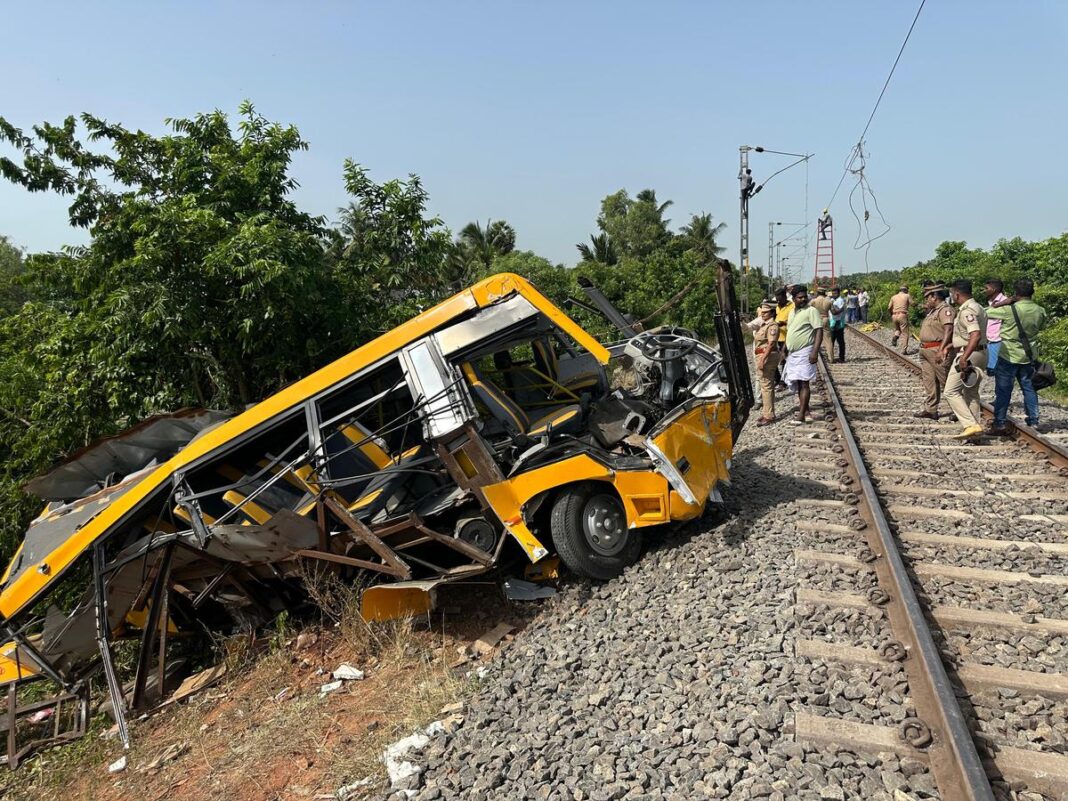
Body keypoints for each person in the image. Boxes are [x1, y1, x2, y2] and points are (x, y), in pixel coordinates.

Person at [986, 278, 1048, 434]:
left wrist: (1003, 302)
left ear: (1016, 293)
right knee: (1029, 388)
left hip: (1008, 355)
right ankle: (1033, 420)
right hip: (1029, 356)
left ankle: (999, 422)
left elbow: (986, 312)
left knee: (1003, 390)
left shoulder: (1009, 310)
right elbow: (1042, 325)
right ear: (1032, 292)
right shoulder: (1040, 310)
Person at [943, 279, 987, 440]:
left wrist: (964, 357)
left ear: (957, 294)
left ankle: (970, 424)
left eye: (952, 294)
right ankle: (975, 434)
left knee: (950, 391)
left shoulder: (967, 311)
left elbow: (975, 335)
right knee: (971, 393)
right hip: (981, 353)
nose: (952, 297)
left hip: (969, 354)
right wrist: (950, 346)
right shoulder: (979, 307)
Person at [782, 285, 824, 424]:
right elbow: (790, 332)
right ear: (793, 299)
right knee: (799, 383)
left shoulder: (811, 311)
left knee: (804, 383)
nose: (803, 299)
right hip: (793, 353)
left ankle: (800, 415)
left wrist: (814, 352)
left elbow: (819, 330)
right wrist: (784, 349)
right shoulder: (792, 313)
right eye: (800, 297)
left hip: (805, 351)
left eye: (805, 297)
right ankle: (806, 412)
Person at [914, 286, 955, 419]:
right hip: (926, 349)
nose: (926, 300)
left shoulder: (945, 310)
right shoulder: (932, 311)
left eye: (928, 297)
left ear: (934, 297)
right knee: (929, 381)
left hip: (937, 349)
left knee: (946, 381)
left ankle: (959, 410)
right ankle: (931, 409)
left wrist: (942, 349)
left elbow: (948, 330)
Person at [753, 302, 781, 426]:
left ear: (772, 313)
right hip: (763, 354)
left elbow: (771, 344)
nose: (763, 314)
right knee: (765, 385)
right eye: (762, 312)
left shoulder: (772, 325)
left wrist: (763, 359)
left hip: (767, 355)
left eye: (766, 312)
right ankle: (767, 412)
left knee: (766, 385)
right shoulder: (763, 325)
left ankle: (769, 415)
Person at [983, 279, 1010, 376]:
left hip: (998, 340)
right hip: (989, 340)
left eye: (986, 288)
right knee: (990, 371)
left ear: (993, 289)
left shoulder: (1005, 302)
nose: (984, 290)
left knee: (997, 372)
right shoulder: (991, 301)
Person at [774, 286, 793, 390]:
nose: (778, 300)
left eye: (779, 298)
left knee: (785, 360)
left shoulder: (792, 306)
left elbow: (794, 321)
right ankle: (778, 379)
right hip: (777, 337)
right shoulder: (777, 307)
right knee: (775, 359)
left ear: (785, 296)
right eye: (776, 298)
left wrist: (784, 323)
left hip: (788, 337)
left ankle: (783, 382)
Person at [888, 285, 912, 351]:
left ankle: (895, 337)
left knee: (897, 329)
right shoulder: (907, 295)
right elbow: (912, 303)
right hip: (902, 315)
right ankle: (904, 350)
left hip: (894, 315)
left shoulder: (893, 297)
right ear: (906, 290)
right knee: (905, 333)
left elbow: (889, 307)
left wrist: (891, 314)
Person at [810, 288, 834, 356]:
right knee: (828, 340)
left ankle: (813, 354)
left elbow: (808, 310)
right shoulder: (829, 301)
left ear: (817, 293)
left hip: (816, 320)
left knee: (814, 339)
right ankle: (831, 357)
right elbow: (834, 312)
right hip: (825, 319)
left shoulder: (813, 301)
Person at [828, 287, 847, 362]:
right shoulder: (833, 300)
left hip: (838, 323)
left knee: (840, 342)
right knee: (831, 341)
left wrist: (830, 306)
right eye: (832, 293)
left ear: (839, 293)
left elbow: (835, 312)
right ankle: (831, 357)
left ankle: (841, 358)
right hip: (833, 323)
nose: (833, 295)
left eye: (835, 293)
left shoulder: (840, 301)